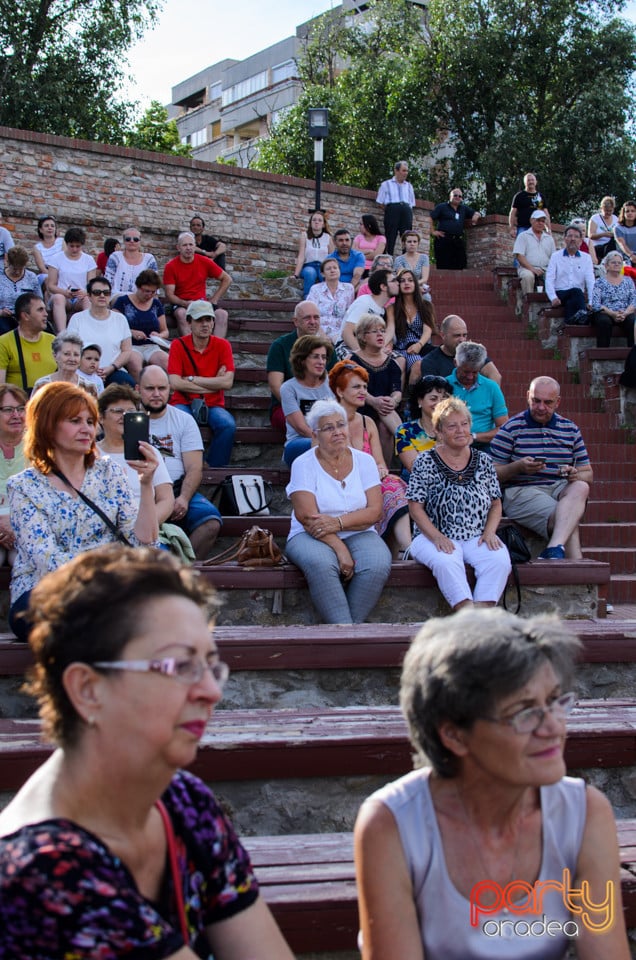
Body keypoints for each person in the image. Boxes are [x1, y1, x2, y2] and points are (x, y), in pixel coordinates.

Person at [0, 544, 296, 959]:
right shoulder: (43, 872)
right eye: (178, 666)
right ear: (88, 689)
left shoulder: (184, 803)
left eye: (211, 664)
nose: (211, 691)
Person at [354, 606, 629, 960]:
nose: (554, 727)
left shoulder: (585, 814)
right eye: (525, 712)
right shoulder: (391, 824)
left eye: (555, 701)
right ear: (454, 735)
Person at [6, 382, 159, 640]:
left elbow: (144, 542)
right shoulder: (23, 487)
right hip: (49, 593)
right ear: (47, 425)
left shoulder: (110, 472)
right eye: (75, 420)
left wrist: (146, 485)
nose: (86, 429)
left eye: (90, 421)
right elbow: (48, 561)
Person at [285, 399, 392, 623]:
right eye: (328, 428)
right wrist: (340, 549)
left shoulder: (365, 461)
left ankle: (344, 633)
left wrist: (339, 523)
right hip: (309, 534)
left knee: (378, 563)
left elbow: (375, 511)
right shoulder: (303, 464)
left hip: (359, 531)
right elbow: (307, 517)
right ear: (314, 435)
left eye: (341, 425)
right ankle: (347, 635)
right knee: (322, 564)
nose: (337, 432)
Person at [406, 397, 510, 609]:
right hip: (431, 535)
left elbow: (496, 503)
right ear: (439, 431)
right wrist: (436, 537)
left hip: (475, 535)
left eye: (464, 424)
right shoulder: (425, 461)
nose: (460, 430)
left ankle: (478, 618)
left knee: (499, 560)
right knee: (447, 561)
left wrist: (490, 532)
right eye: (452, 426)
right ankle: (467, 614)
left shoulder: (484, 461)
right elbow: (415, 507)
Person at [490, 376, 593, 560]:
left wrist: (574, 474)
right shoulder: (510, 429)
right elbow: (490, 474)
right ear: (528, 396)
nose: (541, 407)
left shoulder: (570, 429)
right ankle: (577, 568)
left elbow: (588, 474)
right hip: (521, 491)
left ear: (558, 402)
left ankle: (554, 549)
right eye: (536, 401)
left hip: (559, 487)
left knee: (581, 486)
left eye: (548, 402)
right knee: (567, 519)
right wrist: (518, 467)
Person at [139, 365, 223, 560]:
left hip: (176, 487)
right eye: (149, 388)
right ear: (138, 390)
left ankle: (183, 571)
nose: (156, 394)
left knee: (210, 522)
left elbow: (194, 467)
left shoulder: (184, 420)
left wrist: (184, 497)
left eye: (162, 388)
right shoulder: (126, 420)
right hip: (140, 492)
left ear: (170, 389)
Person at [329, 360, 411, 558]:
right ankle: (403, 549)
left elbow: (380, 462)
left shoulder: (368, 422)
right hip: (340, 485)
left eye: (365, 387)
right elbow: (324, 464)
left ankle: (406, 548)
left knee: (392, 482)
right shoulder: (327, 422)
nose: (363, 391)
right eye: (356, 387)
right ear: (340, 391)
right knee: (388, 487)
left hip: (369, 483)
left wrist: (382, 470)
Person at [167, 300, 236, 468]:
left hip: (212, 403)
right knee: (181, 422)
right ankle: (183, 466)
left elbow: (227, 382)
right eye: (199, 320)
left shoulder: (222, 345)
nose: (205, 324)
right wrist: (214, 383)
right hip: (183, 401)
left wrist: (191, 379)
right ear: (189, 323)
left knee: (227, 425)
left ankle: (214, 468)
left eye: (209, 319)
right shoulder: (178, 345)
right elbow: (175, 383)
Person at [97, 383, 174, 526]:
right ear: (101, 417)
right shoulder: (90, 453)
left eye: (131, 411)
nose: (124, 416)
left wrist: (145, 525)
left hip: (144, 528)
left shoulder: (149, 452)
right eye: (118, 411)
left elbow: (166, 499)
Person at [350, 315, 402, 465]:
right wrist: (373, 401)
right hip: (360, 408)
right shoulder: (352, 361)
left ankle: (383, 469)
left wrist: (393, 400)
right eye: (374, 331)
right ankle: (409, 443)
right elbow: (353, 388)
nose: (380, 334)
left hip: (384, 411)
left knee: (385, 424)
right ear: (363, 337)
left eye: (382, 331)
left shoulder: (392, 363)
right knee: (383, 411)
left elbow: (397, 390)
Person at [67, 276, 135, 387]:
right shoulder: (77, 319)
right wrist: (87, 369)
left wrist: (111, 367)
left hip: (113, 369)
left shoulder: (120, 319)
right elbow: (71, 348)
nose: (102, 296)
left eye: (106, 292)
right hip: (82, 370)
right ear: (89, 296)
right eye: (97, 292)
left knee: (128, 384)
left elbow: (126, 351)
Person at [163, 232, 232, 338]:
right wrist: (185, 303)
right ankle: (191, 350)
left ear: (195, 246)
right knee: (181, 313)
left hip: (202, 303)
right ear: (178, 248)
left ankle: (216, 350)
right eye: (184, 245)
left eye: (191, 245)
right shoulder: (171, 266)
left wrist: (214, 299)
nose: (188, 248)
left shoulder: (204, 261)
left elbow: (227, 279)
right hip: (182, 304)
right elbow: (170, 295)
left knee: (222, 314)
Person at [280, 334, 334, 466]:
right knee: (322, 445)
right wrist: (330, 440)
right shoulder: (288, 388)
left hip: (331, 439)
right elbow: (301, 428)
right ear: (302, 360)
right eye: (315, 356)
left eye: (324, 357)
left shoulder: (333, 382)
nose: (321, 362)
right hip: (299, 443)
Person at [409, 314, 501, 389]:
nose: (462, 340)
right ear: (443, 335)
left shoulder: (473, 352)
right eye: (457, 335)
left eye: (464, 335)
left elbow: (495, 376)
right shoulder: (431, 361)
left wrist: (487, 400)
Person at [447, 341, 508, 452]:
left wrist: (474, 436)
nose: (470, 377)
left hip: (483, 446)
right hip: (450, 444)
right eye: (466, 372)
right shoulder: (444, 385)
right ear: (455, 363)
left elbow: (503, 428)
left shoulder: (491, 387)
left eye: (475, 372)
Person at [113, 268, 170, 378]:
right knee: (135, 365)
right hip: (130, 345)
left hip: (151, 346)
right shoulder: (122, 302)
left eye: (153, 292)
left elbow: (165, 331)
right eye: (146, 291)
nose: (149, 295)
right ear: (138, 287)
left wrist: (159, 335)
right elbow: (113, 326)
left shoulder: (156, 304)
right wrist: (130, 332)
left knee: (168, 363)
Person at [395, 375, 453, 476]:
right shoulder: (405, 431)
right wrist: (439, 442)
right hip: (418, 486)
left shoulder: (455, 428)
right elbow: (417, 469)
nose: (439, 404)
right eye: (433, 399)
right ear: (420, 401)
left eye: (444, 399)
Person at [386, 269, 439, 376]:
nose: (406, 283)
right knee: (417, 363)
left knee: (426, 363)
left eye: (410, 280)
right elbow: (390, 329)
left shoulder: (426, 306)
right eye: (402, 280)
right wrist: (384, 345)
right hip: (402, 348)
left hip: (421, 346)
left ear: (415, 283)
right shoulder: (392, 308)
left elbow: (427, 330)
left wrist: (419, 345)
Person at [0, 292, 55, 392]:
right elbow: (1, 387)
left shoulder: (54, 341)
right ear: (25, 316)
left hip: (51, 403)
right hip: (21, 405)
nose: (46, 314)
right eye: (40, 310)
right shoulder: (3, 342)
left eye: (45, 309)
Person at [46, 227, 97, 333]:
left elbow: (92, 285)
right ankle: (62, 333)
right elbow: (50, 285)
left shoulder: (88, 260)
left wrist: (85, 292)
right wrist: (64, 292)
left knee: (88, 300)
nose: (74, 249)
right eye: (71, 246)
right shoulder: (56, 259)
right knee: (59, 298)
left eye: (77, 246)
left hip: (81, 296)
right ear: (66, 244)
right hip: (62, 295)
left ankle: (88, 332)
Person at [545, 225, 595, 325]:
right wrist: (553, 297)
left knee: (573, 297)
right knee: (576, 292)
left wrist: (591, 301)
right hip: (561, 293)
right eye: (570, 236)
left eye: (576, 237)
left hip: (576, 296)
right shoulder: (556, 256)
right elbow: (549, 278)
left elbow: (590, 280)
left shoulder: (586, 258)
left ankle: (569, 323)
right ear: (565, 238)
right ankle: (584, 318)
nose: (573, 239)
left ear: (581, 240)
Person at [341, 268, 400, 353]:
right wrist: (363, 355)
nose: (398, 283)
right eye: (393, 281)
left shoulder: (382, 310)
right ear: (383, 287)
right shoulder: (365, 302)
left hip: (369, 348)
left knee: (399, 359)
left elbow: (389, 332)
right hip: (347, 347)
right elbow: (346, 333)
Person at [0, 385, 27, 566]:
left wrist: (15, 526)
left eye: (21, 409)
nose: (16, 415)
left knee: (22, 561)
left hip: (26, 526)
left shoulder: (39, 446)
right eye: (8, 410)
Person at [590, 250, 636, 348]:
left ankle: (632, 354)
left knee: (633, 321)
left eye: (619, 263)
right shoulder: (600, 282)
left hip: (624, 313)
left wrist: (625, 313)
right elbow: (595, 304)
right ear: (606, 265)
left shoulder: (628, 281)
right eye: (613, 262)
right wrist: (613, 314)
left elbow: (634, 301)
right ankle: (603, 353)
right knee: (603, 322)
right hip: (606, 312)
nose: (617, 264)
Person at [31, 331, 98, 396]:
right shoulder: (42, 385)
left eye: (76, 354)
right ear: (55, 356)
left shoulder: (89, 387)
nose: (72, 359)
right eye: (67, 354)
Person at [307, 257, 355, 347]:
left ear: (339, 271)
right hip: (318, 330)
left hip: (340, 331)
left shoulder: (348, 288)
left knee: (344, 347)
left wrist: (342, 335)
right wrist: (322, 335)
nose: (332, 270)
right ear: (322, 274)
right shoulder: (315, 289)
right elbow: (310, 314)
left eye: (335, 268)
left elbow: (349, 314)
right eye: (328, 269)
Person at [430, 189, 480, 270]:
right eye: (455, 195)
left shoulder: (463, 208)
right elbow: (430, 217)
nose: (457, 197)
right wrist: (433, 231)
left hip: (457, 241)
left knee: (461, 265)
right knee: (444, 266)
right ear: (450, 196)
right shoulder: (441, 207)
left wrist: (477, 214)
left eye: (460, 196)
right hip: (443, 240)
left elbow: (475, 213)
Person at [104, 225, 158, 299]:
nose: (132, 241)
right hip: (118, 296)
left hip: (142, 297)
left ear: (140, 241)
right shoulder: (115, 257)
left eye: (135, 239)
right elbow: (108, 281)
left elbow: (154, 284)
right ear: (123, 241)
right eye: (128, 239)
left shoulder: (149, 259)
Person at [376, 161, 416, 256]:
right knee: (390, 236)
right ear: (396, 171)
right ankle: (388, 258)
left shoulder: (409, 186)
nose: (406, 173)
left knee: (406, 236)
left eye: (407, 171)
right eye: (403, 170)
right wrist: (390, 210)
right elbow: (380, 202)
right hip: (392, 210)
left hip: (406, 211)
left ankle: (406, 258)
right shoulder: (386, 184)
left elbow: (412, 203)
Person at [513, 210, 556, 295]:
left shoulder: (549, 239)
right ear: (531, 221)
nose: (540, 223)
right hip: (526, 268)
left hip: (545, 268)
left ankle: (552, 302)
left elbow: (554, 257)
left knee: (555, 277)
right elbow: (519, 255)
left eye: (543, 221)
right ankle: (529, 303)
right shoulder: (523, 236)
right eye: (538, 220)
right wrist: (533, 269)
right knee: (528, 276)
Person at [293, 211, 335, 297]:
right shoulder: (304, 236)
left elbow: (332, 258)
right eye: (314, 220)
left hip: (323, 266)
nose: (316, 222)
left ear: (323, 224)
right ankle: (307, 298)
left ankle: (327, 298)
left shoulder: (328, 237)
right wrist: (296, 275)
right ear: (310, 223)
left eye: (319, 220)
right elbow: (301, 256)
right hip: (308, 265)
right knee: (310, 273)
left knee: (323, 275)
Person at [0, 246, 41, 333]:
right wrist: (1, 312)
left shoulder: (31, 277)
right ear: (8, 263)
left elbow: (39, 300)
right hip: (4, 317)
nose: (17, 272)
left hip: (27, 317)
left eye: (21, 269)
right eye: (14, 269)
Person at [508, 171, 551, 237]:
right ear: (525, 183)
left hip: (538, 229)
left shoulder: (541, 196)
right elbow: (512, 213)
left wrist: (548, 229)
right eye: (528, 180)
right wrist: (511, 228)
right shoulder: (519, 196)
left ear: (536, 182)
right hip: (523, 228)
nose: (531, 182)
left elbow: (546, 213)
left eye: (532, 180)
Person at [32, 215, 64, 287]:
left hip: (62, 272)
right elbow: (42, 268)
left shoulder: (62, 242)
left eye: (52, 226)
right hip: (46, 274)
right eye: (46, 226)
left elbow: (65, 261)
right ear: (41, 230)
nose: (50, 228)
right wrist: (53, 276)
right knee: (48, 280)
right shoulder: (37, 247)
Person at [588, 197, 618, 262]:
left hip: (611, 246)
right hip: (597, 246)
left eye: (610, 211)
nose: (608, 213)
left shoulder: (616, 219)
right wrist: (604, 234)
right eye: (606, 211)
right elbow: (591, 235)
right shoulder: (595, 218)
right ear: (601, 209)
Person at [614, 199, 636, 268]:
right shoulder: (618, 228)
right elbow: (622, 244)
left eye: (633, 211)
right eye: (627, 211)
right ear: (623, 213)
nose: (630, 213)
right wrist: (631, 255)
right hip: (624, 258)